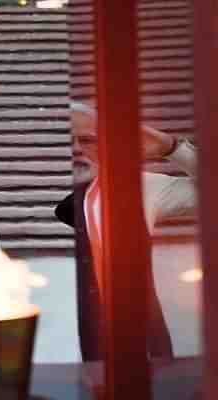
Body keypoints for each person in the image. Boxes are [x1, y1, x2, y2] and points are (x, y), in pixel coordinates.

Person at [55, 101, 197, 361]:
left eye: (87, 140)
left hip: (144, 340)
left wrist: (172, 148)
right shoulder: (70, 204)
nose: (77, 149)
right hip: (90, 344)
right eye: (70, 141)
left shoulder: (141, 186)